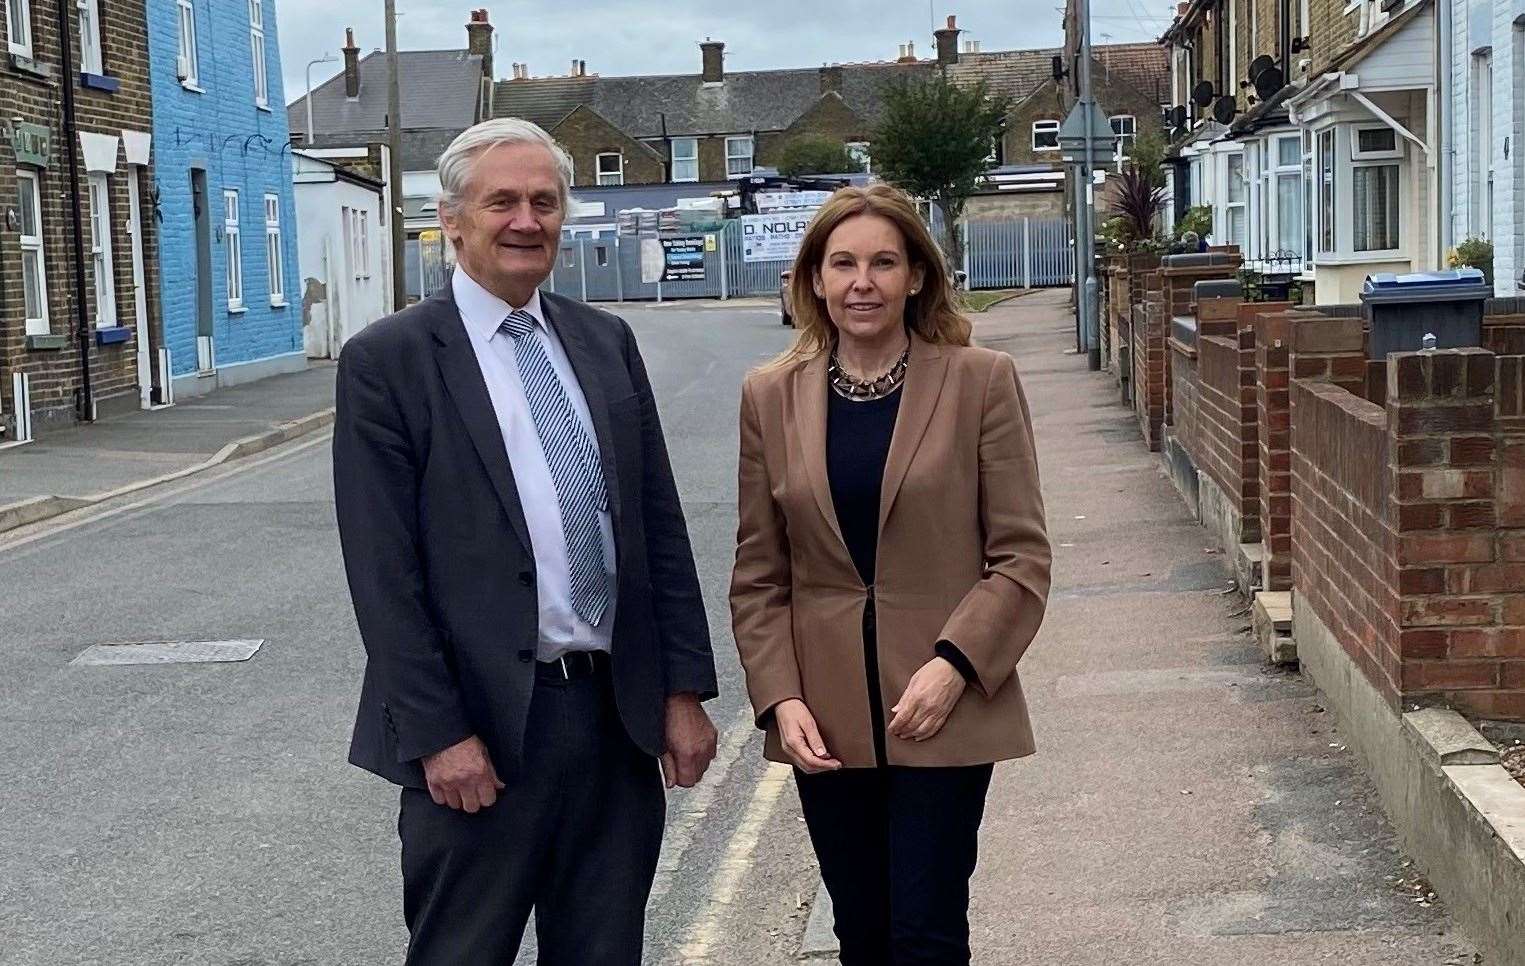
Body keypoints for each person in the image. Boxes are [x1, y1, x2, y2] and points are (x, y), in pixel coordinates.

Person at [333, 117, 719, 965]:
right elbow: (382, 574)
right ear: (453, 220)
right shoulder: (388, 360)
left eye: (544, 202)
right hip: (481, 730)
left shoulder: (603, 340)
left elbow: (656, 527)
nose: (526, 220)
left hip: (612, 721)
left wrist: (682, 690)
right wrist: (439, 735)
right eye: (501, 200)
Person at [729, 184, 1052, 965]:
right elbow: (758, 575)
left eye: (882, 262)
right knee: (861, 936)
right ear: (812, 279)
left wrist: (955, 666)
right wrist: (779, 699)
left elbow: (1019, 555)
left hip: (940, 705)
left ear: (916, 276)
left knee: (926, 933)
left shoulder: (979, 380)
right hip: (825, 716)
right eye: (841, 264)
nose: (861, 282)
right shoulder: (768, 396)